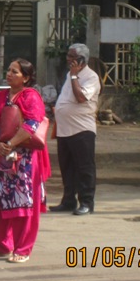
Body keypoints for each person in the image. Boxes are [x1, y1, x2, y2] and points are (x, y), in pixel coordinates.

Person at [0, 58, 50, 263]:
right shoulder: (0, 96)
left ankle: (23, 248)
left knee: (21, 202)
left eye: (15, 72)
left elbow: (32, 125)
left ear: (26, 78)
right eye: (9, 70)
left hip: (23, 160)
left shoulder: (31, 97)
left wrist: (10, 144)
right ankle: (2, 246)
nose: (9, 74)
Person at [50, 43, 101, 216]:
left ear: (81, 60)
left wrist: (73, 77)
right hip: (65, 130)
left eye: (72, 57)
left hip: (81, 130)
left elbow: (80, 97)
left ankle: (86, 202)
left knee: (84, 167)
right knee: (67, 167)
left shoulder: (91, 77)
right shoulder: (69, 74)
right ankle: (68, 200)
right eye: (68, 56)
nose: (68, 59)